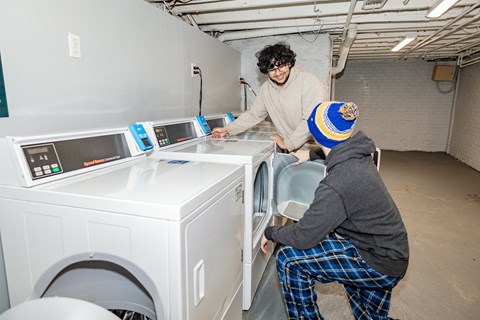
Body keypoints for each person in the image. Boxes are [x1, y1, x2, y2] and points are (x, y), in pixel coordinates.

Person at [260, 101, 409, 320]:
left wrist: (270, 232)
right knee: (369, 316)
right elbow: (337, 151)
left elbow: (303, 237)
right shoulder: (358, 153)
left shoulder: (336, 183)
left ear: (316, 133)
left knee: (289, 259)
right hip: (390, 249)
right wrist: (311, 155)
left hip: (374, 259)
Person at [211, 42, 327, 152]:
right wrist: (228, 129)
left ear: (289, 63)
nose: (278, 73)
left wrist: (289, 143)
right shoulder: (266, 89)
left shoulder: (309, 82)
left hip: (315, 149)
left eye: (281, 66)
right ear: (266, 71)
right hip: (291, 149)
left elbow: (311, 119)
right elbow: (253, 115)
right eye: (272, 70)